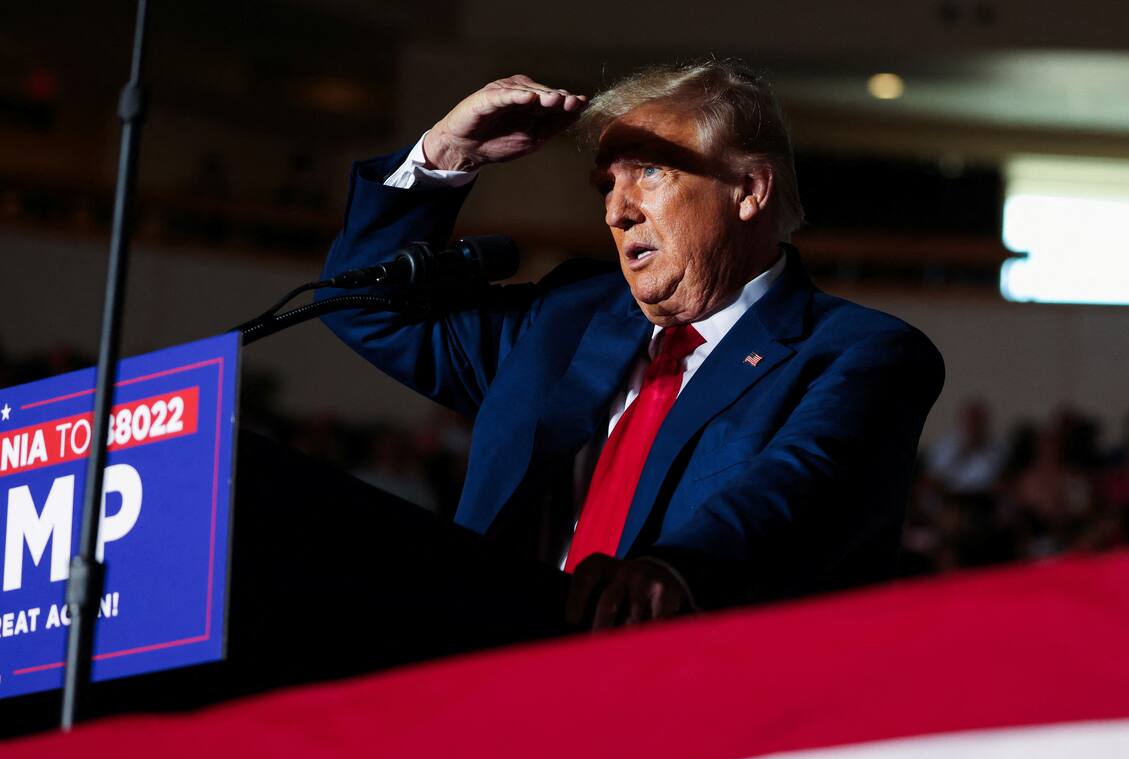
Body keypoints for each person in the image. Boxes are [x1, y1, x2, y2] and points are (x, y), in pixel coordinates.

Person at [318, 59, 944, 628]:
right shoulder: (564, 318)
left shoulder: (862, 352)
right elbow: (364, 310)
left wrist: (673, 571)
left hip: (689, 700)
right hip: (495, 679)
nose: (618, 211)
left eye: (649, 171)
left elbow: (797, 489)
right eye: (606, 187)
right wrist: (447, 153)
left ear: (750, 190)